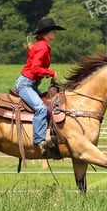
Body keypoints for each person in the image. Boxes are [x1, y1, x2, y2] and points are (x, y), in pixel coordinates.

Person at [16, 17, 66, 151]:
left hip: (31, 84)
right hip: (26, 84)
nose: (55, 33)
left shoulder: (43, 46)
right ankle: (39, 141)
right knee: (41, 108)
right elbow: (35, 69)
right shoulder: (42, 47)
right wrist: (51, 73)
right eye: (53, 31)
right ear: (46, 33)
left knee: (47, 105)